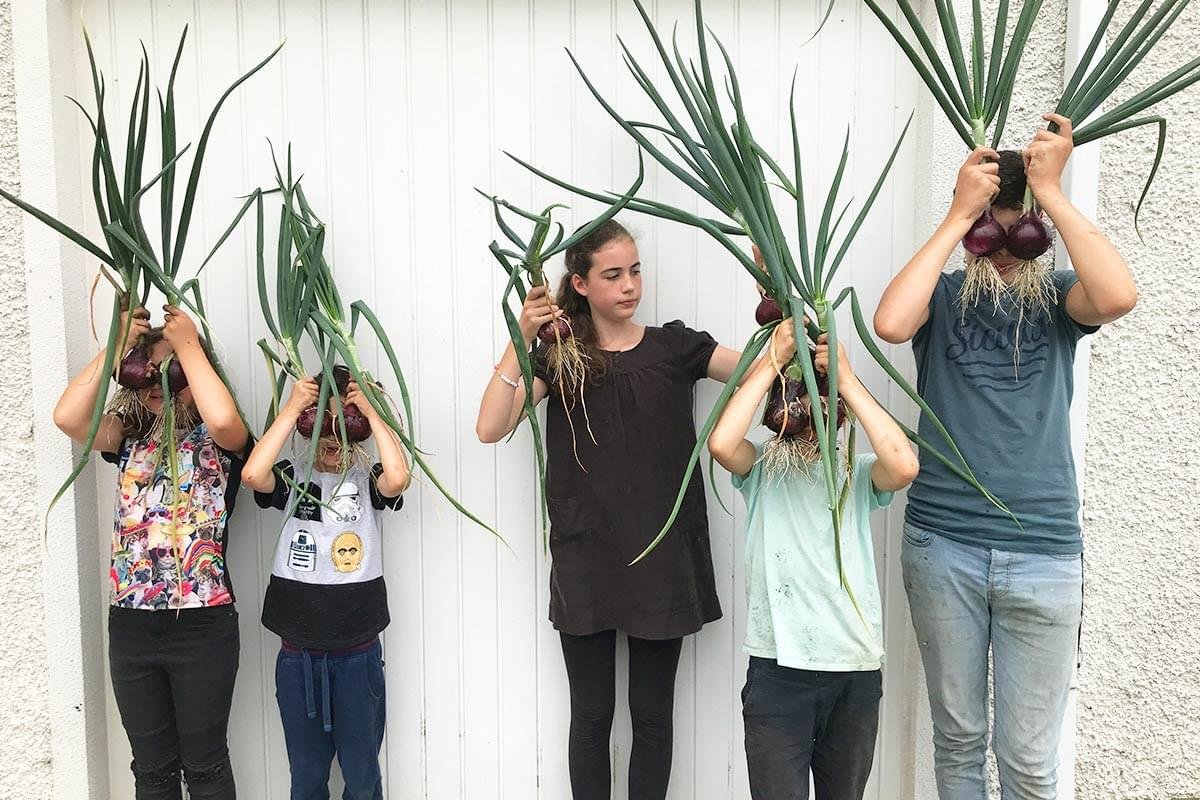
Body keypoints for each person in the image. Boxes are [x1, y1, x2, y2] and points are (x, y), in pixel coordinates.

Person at [873, 113, 1138, 798]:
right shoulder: (944, 294)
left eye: (1017, 232)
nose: (1001, 249)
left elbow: (1118, 295)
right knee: (957, 740)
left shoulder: (1056, 300)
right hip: (944, 543)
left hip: (1044, 550)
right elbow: (890, 322)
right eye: (986, 233)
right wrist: (958, 213)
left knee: (1026, 758)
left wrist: (1050, 193)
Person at [476, 219, 742, 799]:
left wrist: (787, 330)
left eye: (635, 271)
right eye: (613, 274)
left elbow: (755, 370)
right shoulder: (561, 360)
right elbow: (490, 426)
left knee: (652, 718)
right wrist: (519, 338)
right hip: (587, 555)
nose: (629, 286)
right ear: (580, 282)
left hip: (662, 555)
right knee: (591, 717)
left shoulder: (676, 347)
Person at [708, 316, 918, 800]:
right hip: (778, 670)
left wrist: (846, 377)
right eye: (798, 402)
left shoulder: (857, 474)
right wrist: (773, 361)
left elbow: (905, 465)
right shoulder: (761, 468)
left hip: (854, 670)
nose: (810, 413)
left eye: (826, 405)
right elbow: (721, 443)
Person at [53, 303, 249, 799]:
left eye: (173, 372)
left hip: (202, 625)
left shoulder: (221, 443)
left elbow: (225, 418)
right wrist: (117, 346)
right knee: (152, 771)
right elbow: (68, 417)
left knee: (205, 766)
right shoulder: (127, 439)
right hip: (133, 627)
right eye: (148, 373)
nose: (158, 383)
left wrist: (187, 345)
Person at [242, 374, 410, 800]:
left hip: (358, 654)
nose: (331, 435)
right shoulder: (291, 477)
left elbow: (398, 478)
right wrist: (291, 409)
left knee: (362, 775)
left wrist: (373, 411)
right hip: (298, 657)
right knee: (307, 776)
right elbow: (252, 473)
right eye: (321, 423)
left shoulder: (366, 478)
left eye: (345, 422)